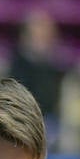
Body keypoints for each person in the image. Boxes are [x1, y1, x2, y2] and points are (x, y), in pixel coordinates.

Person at [7, 8, 65, 146]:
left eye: (46, 31)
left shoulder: (55, 61)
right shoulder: (19, 61)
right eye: (37, 30)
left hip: (50, 116)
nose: (42, 34)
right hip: (26, 115)